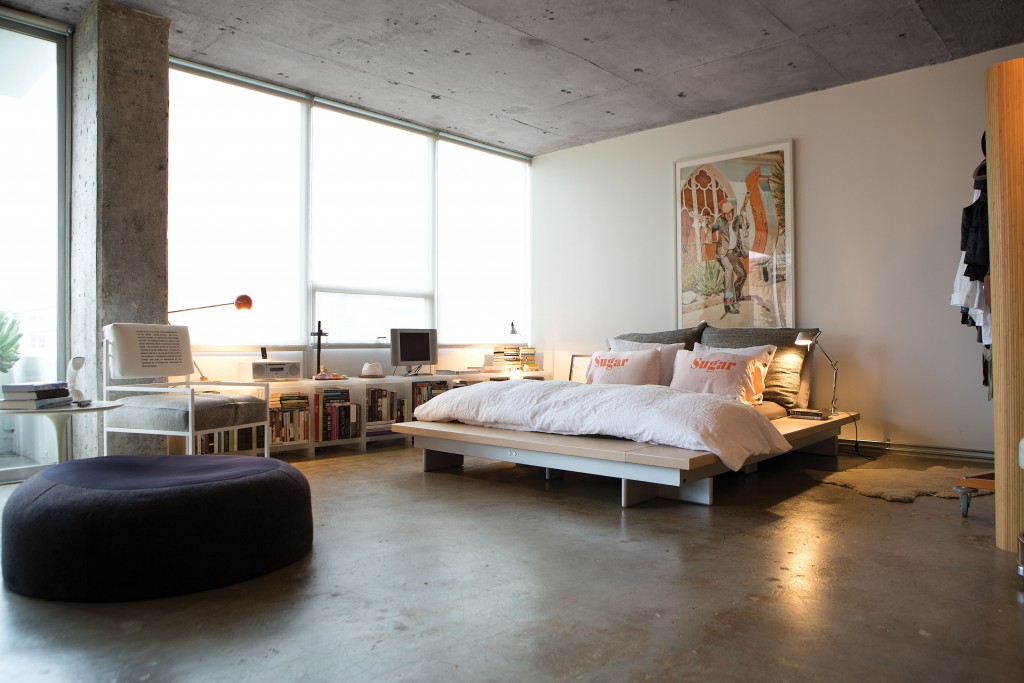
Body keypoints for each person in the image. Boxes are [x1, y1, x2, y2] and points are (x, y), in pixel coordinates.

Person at [710, 195, 749, 315]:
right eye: (725, 213)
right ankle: (728, 303)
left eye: (729, 213)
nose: (728, 215)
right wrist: (706, 223)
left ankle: (736, 293)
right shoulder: (720, 221)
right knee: (729, 271)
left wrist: (744, 216)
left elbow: (746, 226)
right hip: (723, 254)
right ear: (723, 214)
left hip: (733, 253)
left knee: (742, 274)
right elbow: (711, 228)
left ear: (732, 212)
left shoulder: (737, 220)